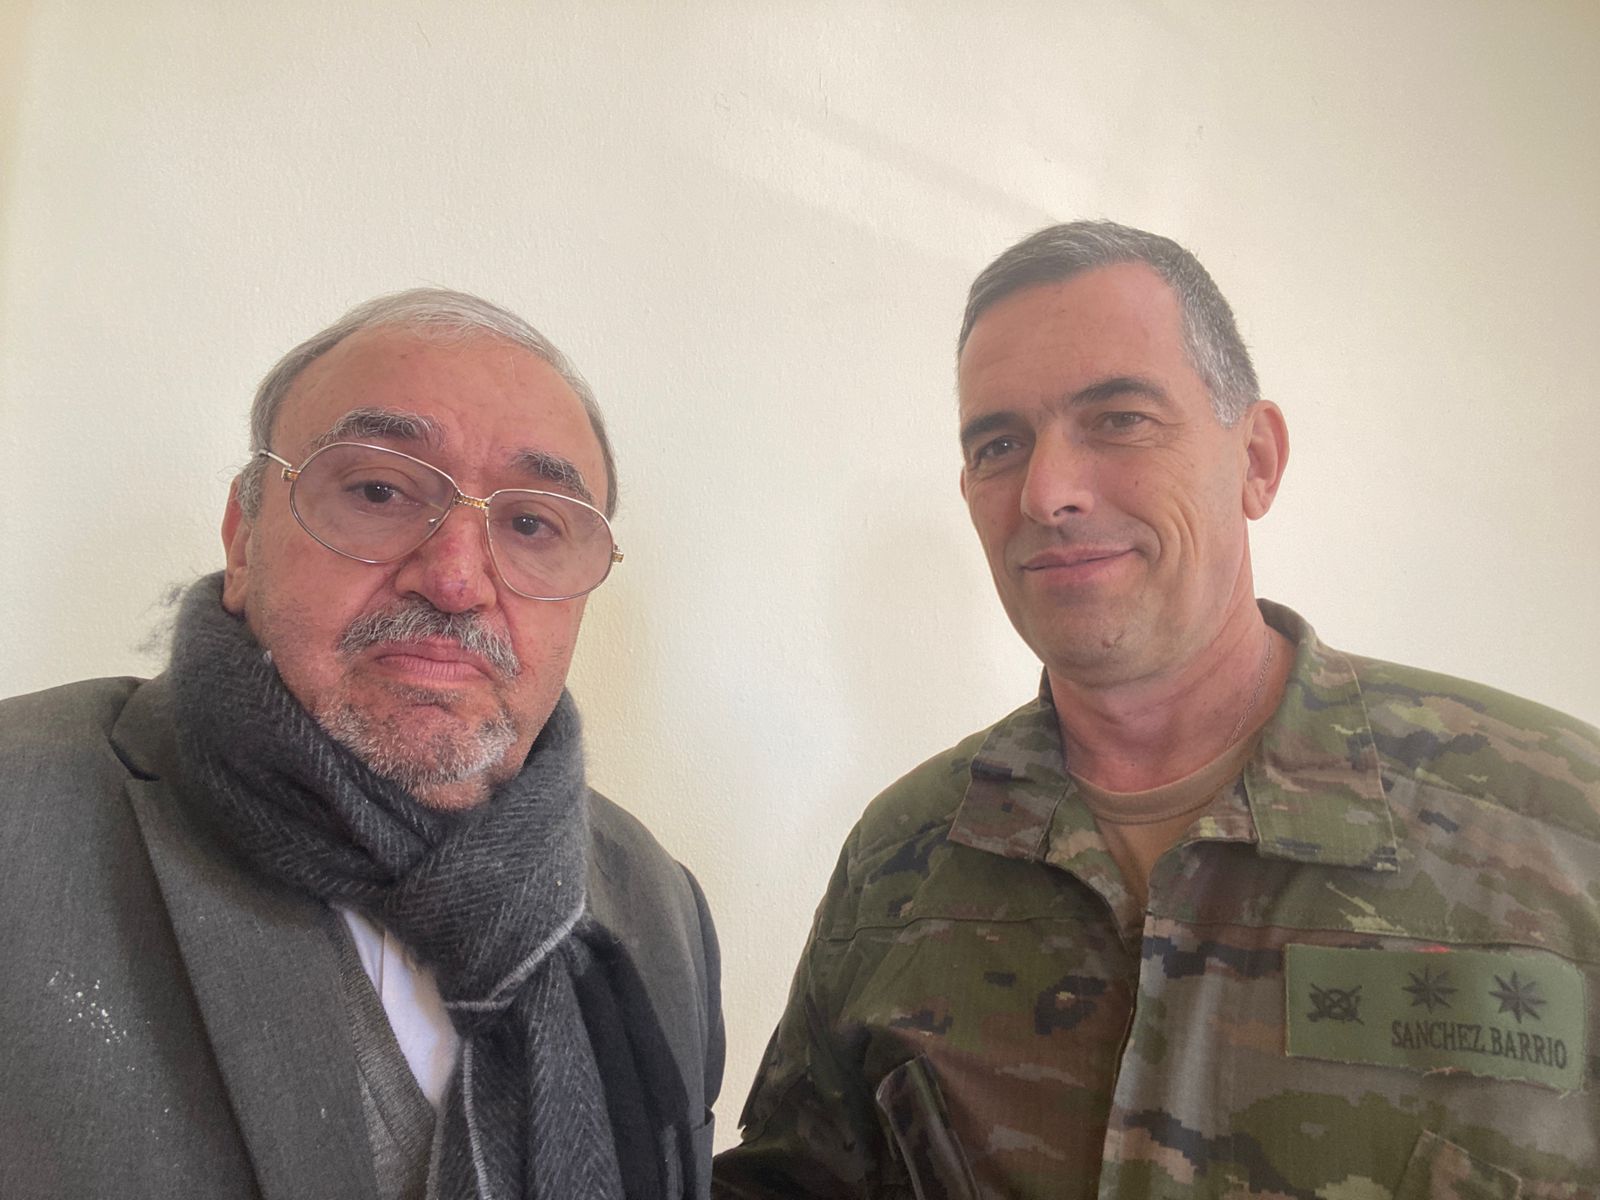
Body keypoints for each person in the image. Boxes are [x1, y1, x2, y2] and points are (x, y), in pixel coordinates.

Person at [714, 221, 1600, 1197]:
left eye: (1119, 420)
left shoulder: (1561, 827)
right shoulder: (900, 861)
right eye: (1000, 444)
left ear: (1256, 459)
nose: (1048, 492)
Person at [0, 289, 723, 1200]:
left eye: (531, 523)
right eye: (379, 490)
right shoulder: (21, 817)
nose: (456, 579)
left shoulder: (660, 906)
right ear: (244, 541)